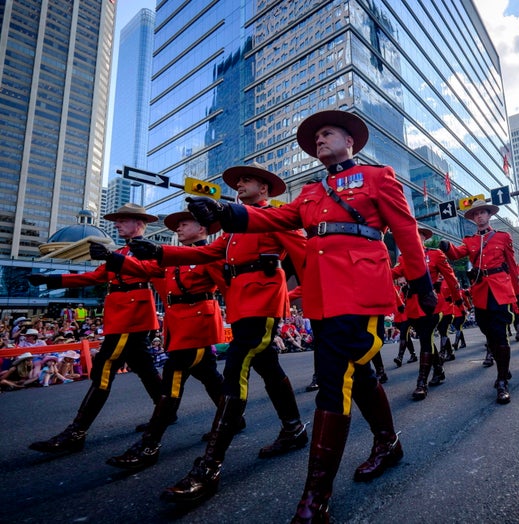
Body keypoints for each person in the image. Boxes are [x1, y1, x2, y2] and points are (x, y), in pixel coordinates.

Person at [147, 110, 436, 522]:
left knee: (335, 383)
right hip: (322, 295)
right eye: (315, 137)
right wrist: (226, 213)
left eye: (327, 133)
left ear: (349, 141)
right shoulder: (310, 191)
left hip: (360, 289)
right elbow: (276, 217)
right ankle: (387, 443)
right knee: (361, 374)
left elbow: (406, 230)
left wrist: (422, 284)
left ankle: (314, 499)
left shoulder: (378, 176)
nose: (319, 140)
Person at [131, 164, 309, 502]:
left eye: (246, 180)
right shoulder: (232, 227)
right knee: (268, 366)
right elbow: (207, 253)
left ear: (265, 189)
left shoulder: (278, 215)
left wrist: (320, 303)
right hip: (242, 303)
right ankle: (294, 428)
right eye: (237, 181)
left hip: (264, 299)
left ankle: (209, 466)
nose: (239, 184)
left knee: (236, 369)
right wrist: (160, 253)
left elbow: (304, 255)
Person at [88, 210, 233, 471]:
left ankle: (149, 445)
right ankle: (234, 419)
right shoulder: (173, 257)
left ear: (202, 229)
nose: (178, 228)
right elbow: (144, 268)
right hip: (179, 326)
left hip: (198, 325)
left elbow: (228, 289)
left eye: (184, 223)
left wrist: (243, 321)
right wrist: (112, 258)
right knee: (209, 375)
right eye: (177, 225)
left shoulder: (210, 254)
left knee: (171, 382)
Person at [26, 203, 164, 454]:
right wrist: (52, 279)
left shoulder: (147, 250)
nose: (117, 224)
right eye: (117, 220)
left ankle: (77, 432)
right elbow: (95, 277)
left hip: (132, 316)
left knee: (104, 369)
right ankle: (166, 411)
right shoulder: (121, 250)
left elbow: (150, 270)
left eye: (123, 220)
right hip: (121, 315)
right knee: (145, 368)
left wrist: (115, 258)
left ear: (139, 224)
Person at [439, 200, 519, 404]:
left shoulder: (503, 237)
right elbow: (457, 253)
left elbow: (511, 265)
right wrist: (447, 247)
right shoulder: (470, 240)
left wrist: (518, 293)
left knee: (499, 333)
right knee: (487, 331)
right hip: (481, 291)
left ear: (489, 215)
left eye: (483, 213)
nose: (480, 217)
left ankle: (502, 380)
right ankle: (504, 367)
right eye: (476, 215)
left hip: (500, 290)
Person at [393, 227, 460, 400]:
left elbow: (451, 277)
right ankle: (439, 370)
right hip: (413, 307)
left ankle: (421, 383)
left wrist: (458, 299)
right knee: (426, 339)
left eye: (418, 235)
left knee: (425, 340)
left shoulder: (435, 254)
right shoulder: (403, 258)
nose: (414, 238)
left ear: (423, 238)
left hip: (431, 304)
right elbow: (394, 273)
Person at [391, 279, 418, 367]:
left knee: (403, 335)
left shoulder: (407, 287)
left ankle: (400, 357)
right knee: (407, 337)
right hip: (398, 316)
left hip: (407, 315)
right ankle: (413, 355)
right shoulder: (394, 287)